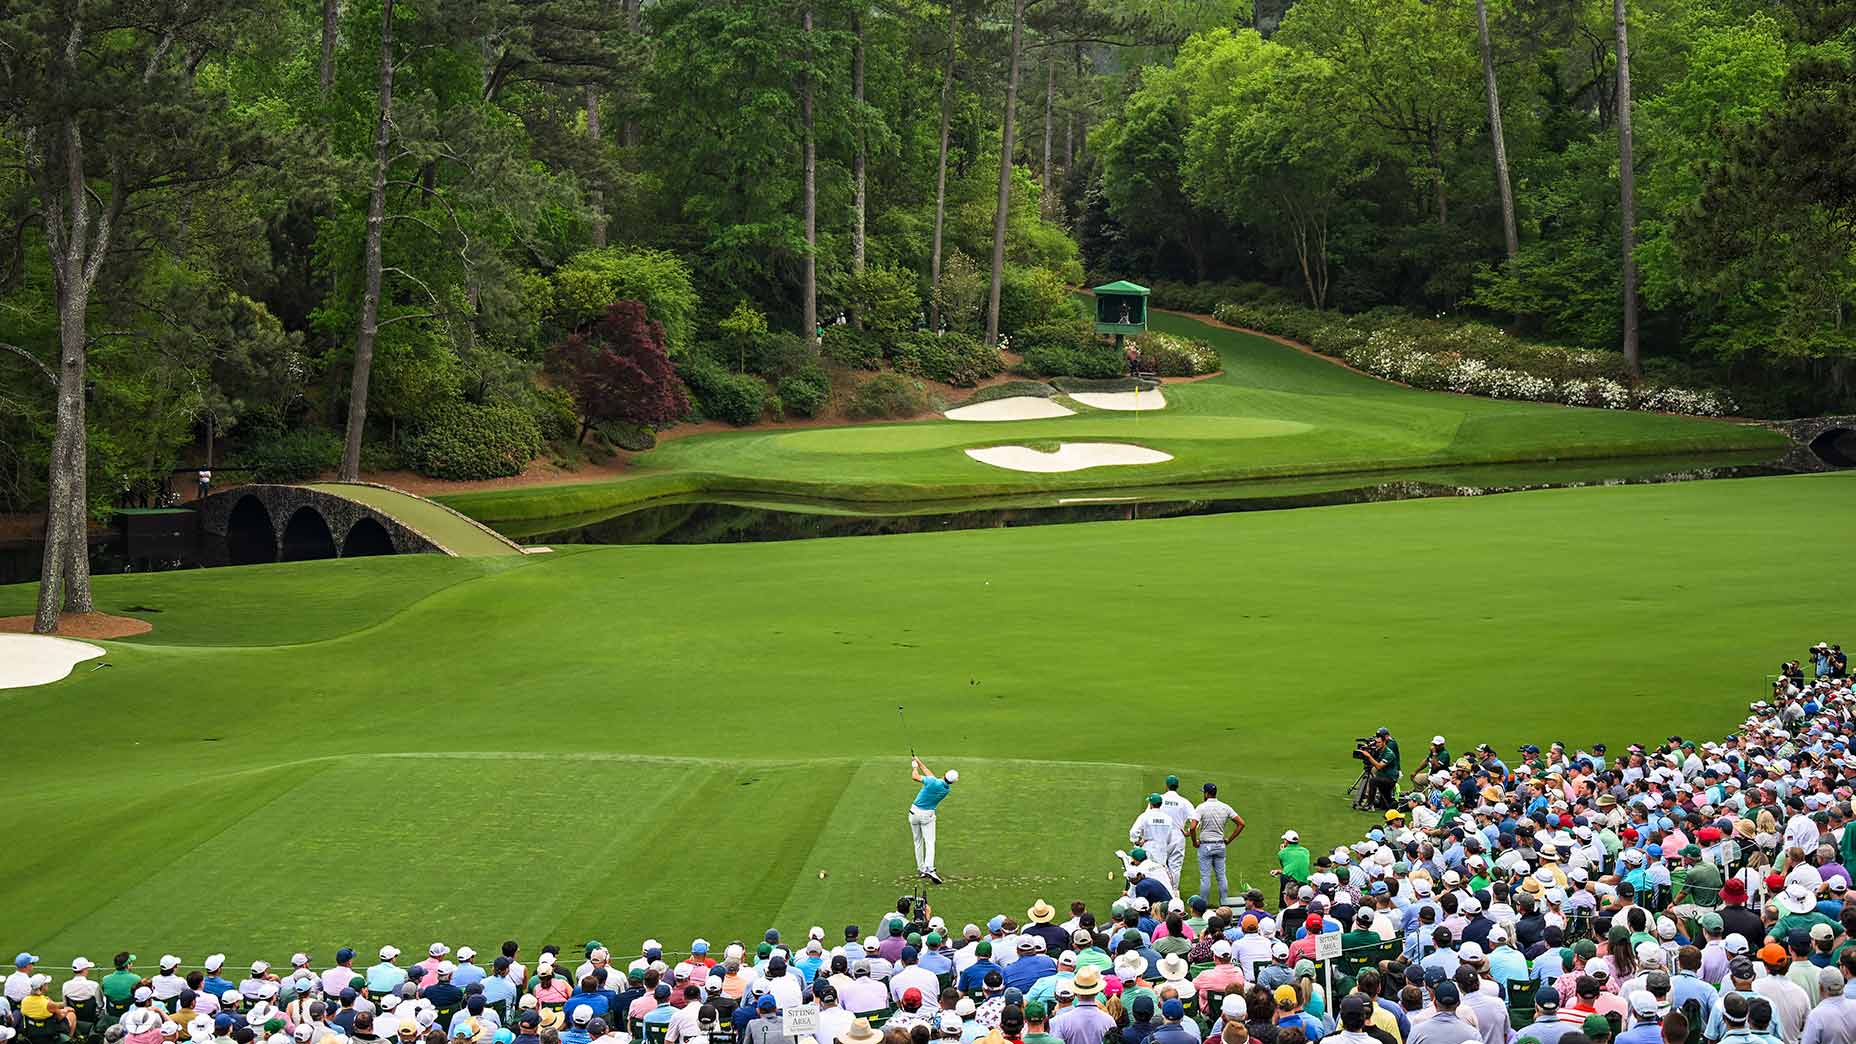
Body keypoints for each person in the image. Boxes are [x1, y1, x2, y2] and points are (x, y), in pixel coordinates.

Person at [1189, 783, 1244, 907]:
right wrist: (1229, 839)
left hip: (1205, 846)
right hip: (1220, 846)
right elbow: (1241, 823)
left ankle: (1202, 906)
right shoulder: (1225, 807)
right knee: (1221, 876)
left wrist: (1194, 842)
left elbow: (1192, 827)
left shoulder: (1201, 807)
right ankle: (1224, 905)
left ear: (1206, 794)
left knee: (1205, 878)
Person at [909, 756, 958, 885]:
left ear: (944, 774)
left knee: (917, 841)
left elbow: (915, 777)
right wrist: (919, 762)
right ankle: (929, 868)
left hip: (913, 813)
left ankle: (921, 869)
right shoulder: (946, 789)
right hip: (927, 816)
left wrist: (914, 766)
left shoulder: (932, 782)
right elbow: (930, 776)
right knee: (929, 842)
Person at [1131, 795, 1185, 897]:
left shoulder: (1144, 816)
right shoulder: (1168, 818)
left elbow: (1133, 832)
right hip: (1162, 849)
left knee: (1145, 872)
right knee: (1160, 873)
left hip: (1148, 847)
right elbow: (1169, 837)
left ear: (1151, 804)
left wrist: (1137, 842)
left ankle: (1143, 896)